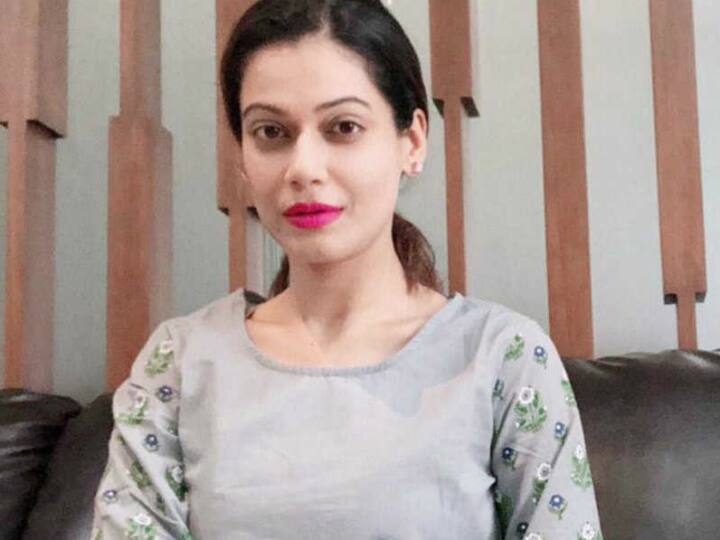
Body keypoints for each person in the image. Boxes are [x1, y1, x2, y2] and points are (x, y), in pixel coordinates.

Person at [90, 0, 604, 538]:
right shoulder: (179, 364)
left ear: (412, 141)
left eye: (343, 127)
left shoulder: (504, 358)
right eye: (271, 132)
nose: (303, 168)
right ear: (242, 156)